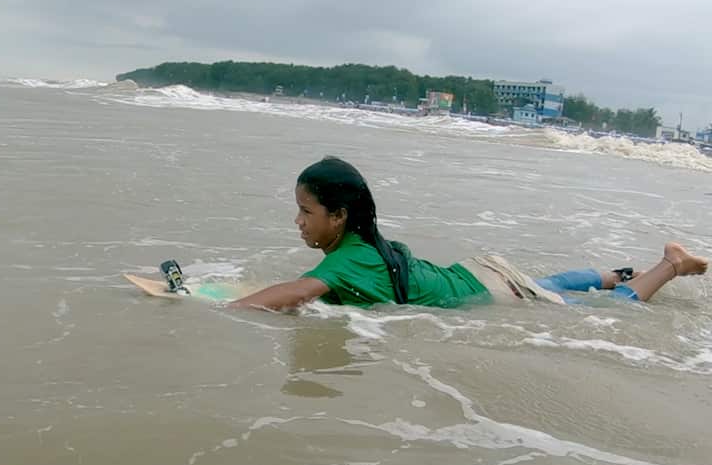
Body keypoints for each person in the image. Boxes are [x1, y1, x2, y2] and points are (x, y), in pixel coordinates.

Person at [231, 156, 708, 311]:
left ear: (337, 217)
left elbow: (299, 290)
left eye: (304, 211)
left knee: (602, 308)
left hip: (491, 291)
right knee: (550, 286)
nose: (297, 221)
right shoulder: (366, 244)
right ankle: (617, 271)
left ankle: (670, 265)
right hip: (481, 273)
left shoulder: (348, 259)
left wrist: (226, 307)